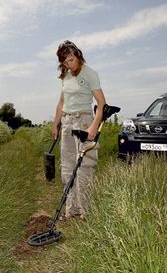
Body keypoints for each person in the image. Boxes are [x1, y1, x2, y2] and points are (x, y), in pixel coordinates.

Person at [51, 40, 106, 220]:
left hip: (84, 121)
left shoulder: (90, 73)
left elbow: (101, 103)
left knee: (84, 167)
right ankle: (71, 209)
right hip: (67, 122)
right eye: (65, 62)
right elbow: (61, 102)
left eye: (71, 60)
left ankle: (85, 211)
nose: (69, 64)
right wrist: (55, 124)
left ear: (78, 55)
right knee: (67, 168)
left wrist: (93, 126)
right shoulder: (66, 75)